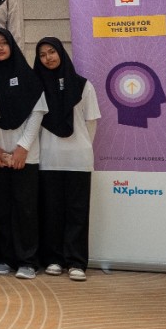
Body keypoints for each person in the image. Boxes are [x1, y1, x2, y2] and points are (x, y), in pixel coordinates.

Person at [0, 28, 46, 280]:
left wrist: (22, 148)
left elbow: (37, 112)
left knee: (26, 209)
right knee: (1, 208)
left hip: (24, 155)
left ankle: (27, 260)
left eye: (3, 43)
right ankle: (6, 258)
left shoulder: (27, 77)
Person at [34, 37, 99, 282]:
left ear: (61, 53)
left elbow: (91, 122)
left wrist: (80, 146)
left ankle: (76, 261)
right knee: (51, 211)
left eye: (52, 52)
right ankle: (53, 258)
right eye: (42, 55)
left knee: (77, 212)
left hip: (78, 159)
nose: (48, 58)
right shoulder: (35, 86)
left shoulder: (83, 86)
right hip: (48, 159)